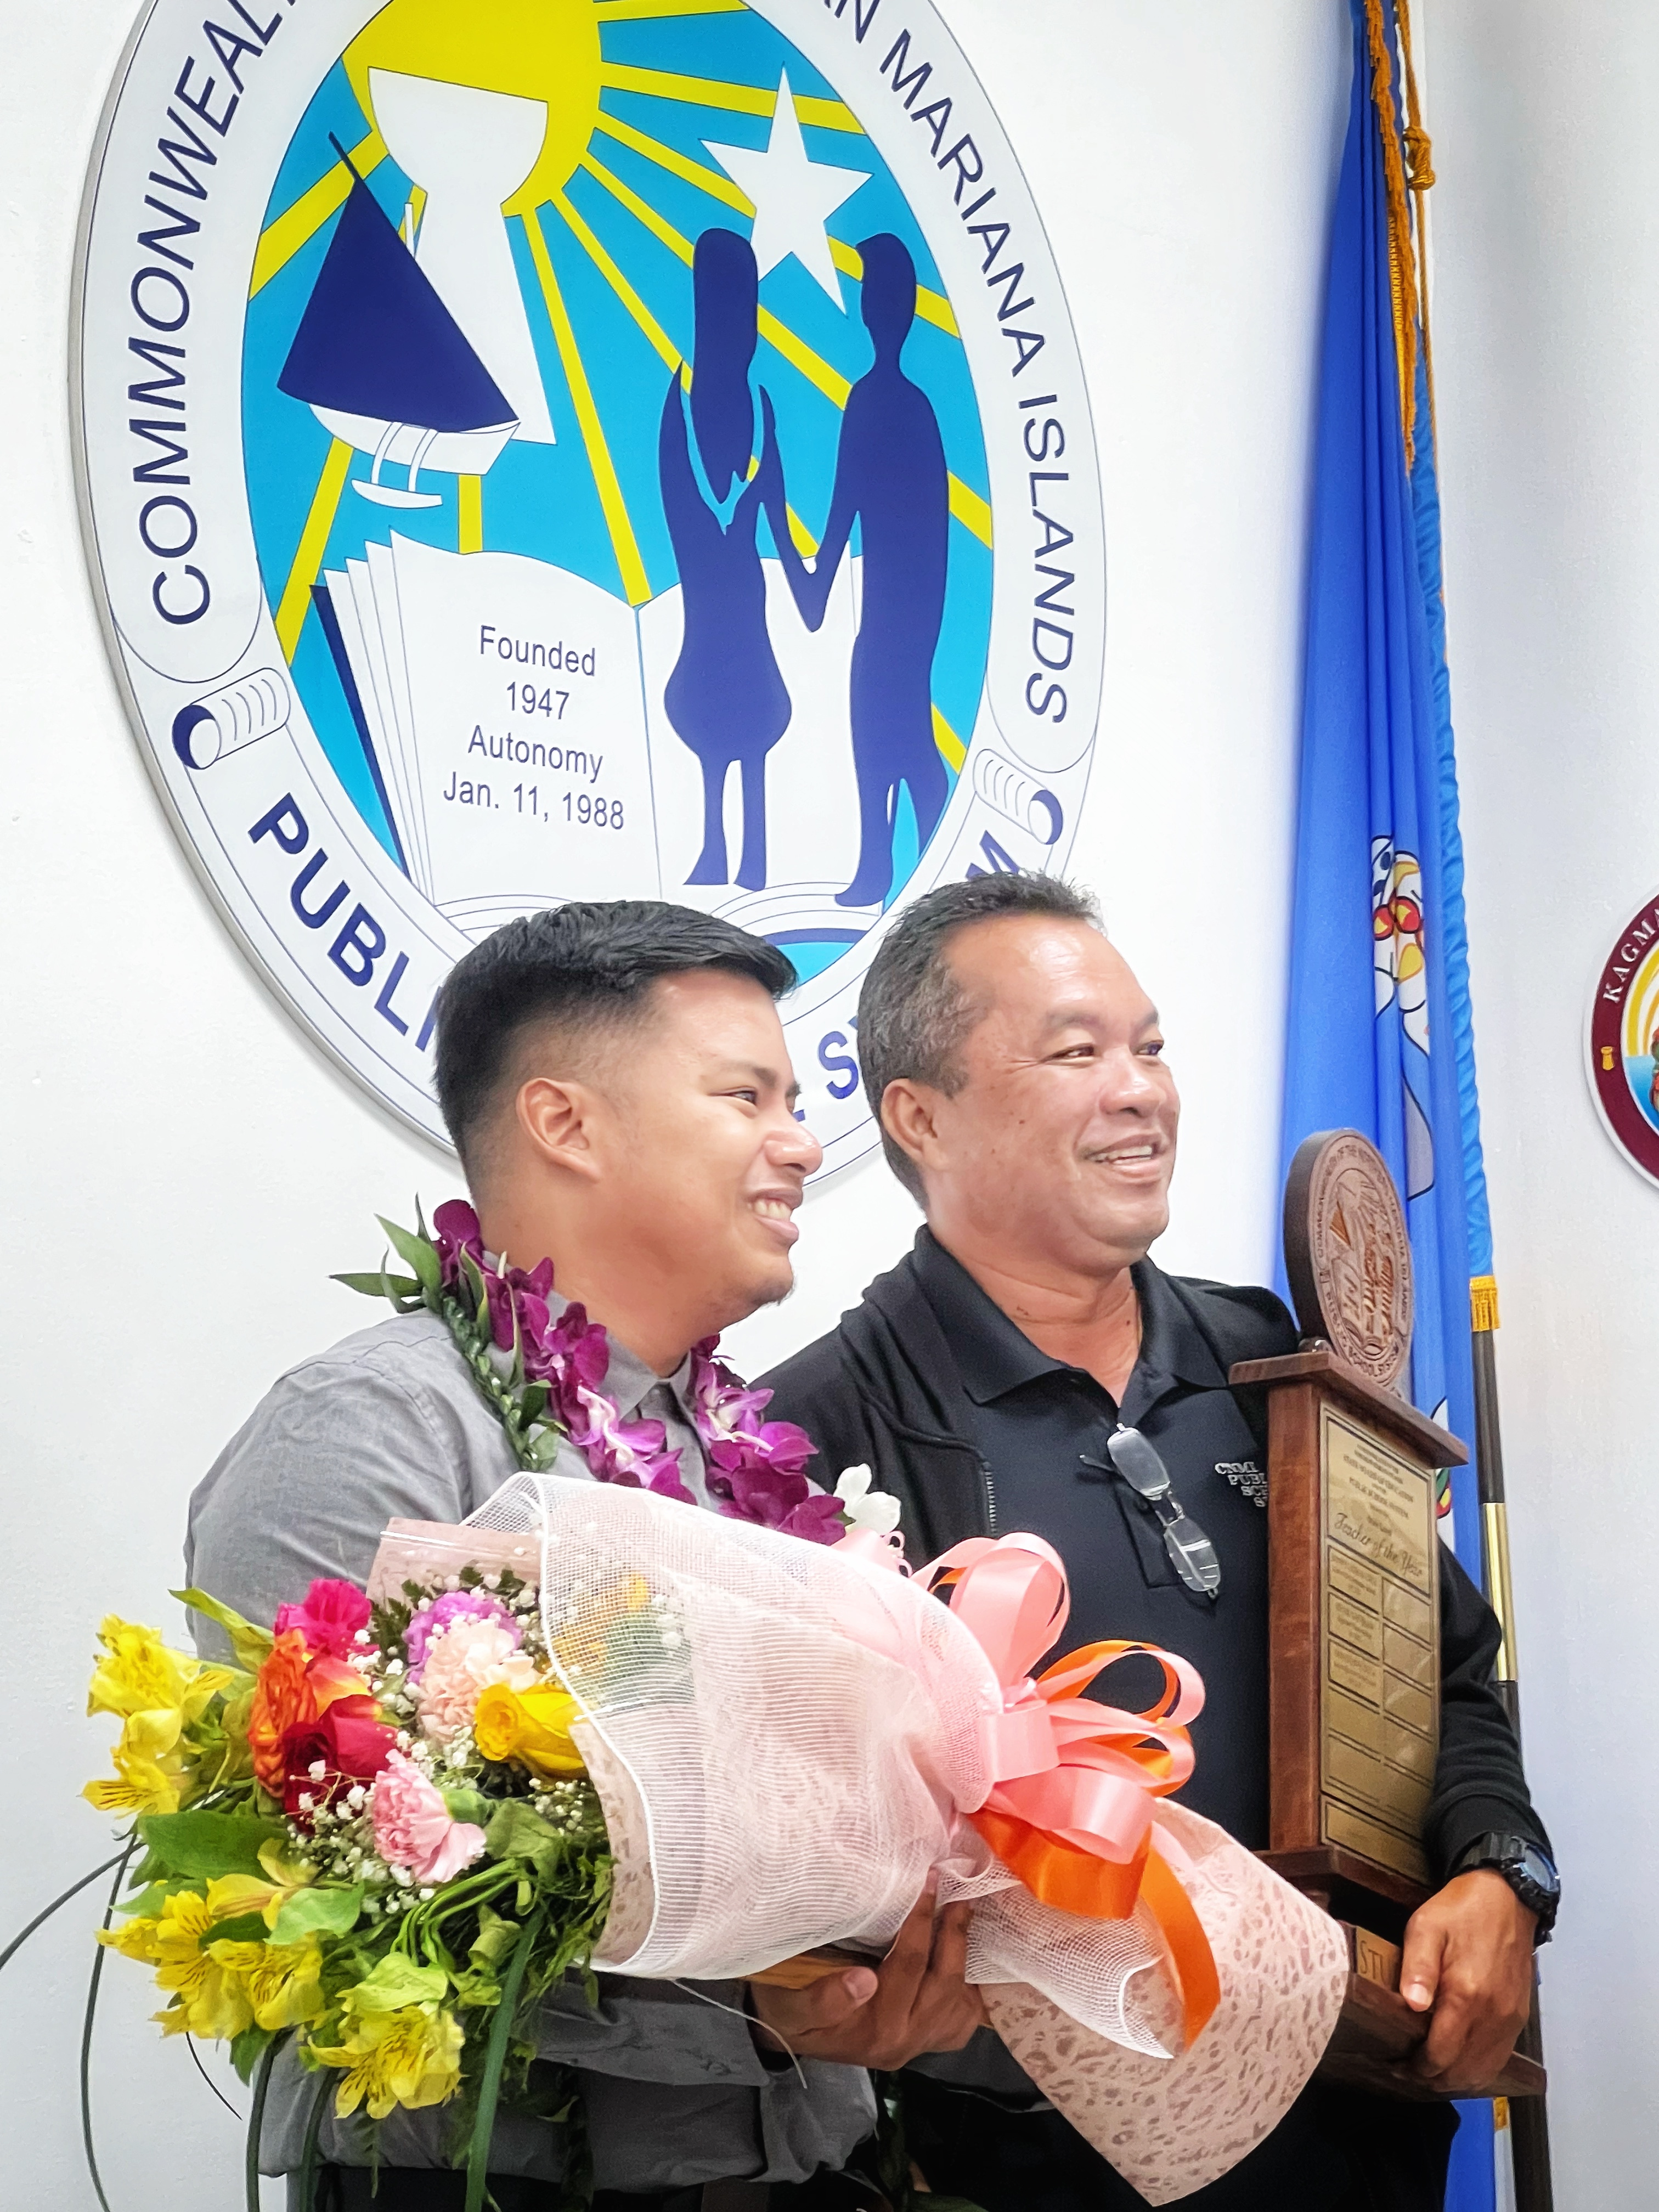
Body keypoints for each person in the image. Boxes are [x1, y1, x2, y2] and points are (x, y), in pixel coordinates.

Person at [758, 873, 1558, 2212]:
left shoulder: (1273, 1359)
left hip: (1353, 2134)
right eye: (1079, 1053)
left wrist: (1500, 1874)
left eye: (1151, 1045)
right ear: (920, 1114)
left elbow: (1450, 1677)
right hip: (1013, 2169)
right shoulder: (810, 1439)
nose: (1141, 1091)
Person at [187, 900, 983, 2212]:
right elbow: (352, 1866)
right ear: (566, 1122)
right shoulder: (371, 1431)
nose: (801, 1145)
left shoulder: (750, 1458)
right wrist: (766, 1964)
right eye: (748, 1097)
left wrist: (886, 1968)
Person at [776, 232, 950, 910]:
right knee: (894, 732)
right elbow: (848, 517)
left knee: (893, 731)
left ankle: (904, 866)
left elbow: (849, 519)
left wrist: (802, 561)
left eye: (878, 296)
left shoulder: (884, 404)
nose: (874, 307)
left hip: (901, 619)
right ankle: (887, 863)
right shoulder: (896, 406)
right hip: (899, 615)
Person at [659, 229, 798, 893]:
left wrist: (806, 575)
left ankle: (757, 858)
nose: (735, 328)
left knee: (753, 732)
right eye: (722, 310)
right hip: (705, 598)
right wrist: (727, 509)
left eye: (744, 312)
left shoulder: (761, 408)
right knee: (714, 733)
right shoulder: (682, 402)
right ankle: (714, 846)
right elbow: (678, 498)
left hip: (749, 598)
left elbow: (773, 508)